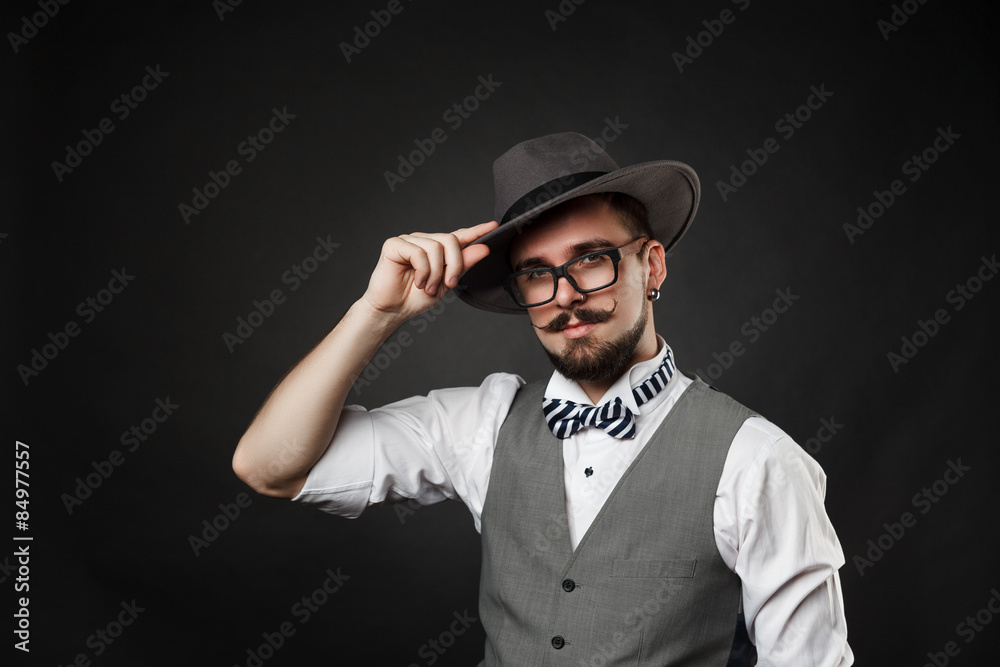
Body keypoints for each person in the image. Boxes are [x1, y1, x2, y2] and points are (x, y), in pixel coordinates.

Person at [233, 132, 854, 666]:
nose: (564, 295)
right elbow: (270, 468)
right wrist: (376, 314)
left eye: (590, 261)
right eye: (537, 273)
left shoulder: (760, 462)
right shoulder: (483, 424)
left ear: (653, 266)